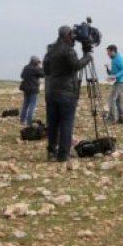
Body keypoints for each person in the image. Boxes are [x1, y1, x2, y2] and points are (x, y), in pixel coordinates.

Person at [43, 26, 93, 163]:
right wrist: (87, 57)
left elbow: (46, 69)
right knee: (66, 122)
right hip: (66, 93)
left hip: (51, 92)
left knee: (53, 123)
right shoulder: (68, 50)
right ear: (68, 35)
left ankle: (51, 151)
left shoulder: (50, 50)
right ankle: (63, 154)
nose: (73, 37)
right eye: (72, 35)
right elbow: (76, 65)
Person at [105, 44, 123, 125]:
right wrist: (108, 70)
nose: (107, 54)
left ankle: (112, 118)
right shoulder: (114, 60)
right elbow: (113, 73)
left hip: (119, 83)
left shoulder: (118, 59)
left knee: (111, 99)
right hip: (119, 82)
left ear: (113, 51)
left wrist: (115, 76)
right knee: (118, 101)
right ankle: (122, 119)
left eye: (108, 52)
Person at [19, 55, 45, 126]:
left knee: (25, 104)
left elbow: (22, 76)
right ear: (35, 62)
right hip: (33, 89)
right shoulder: (36, 69)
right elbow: (43, 75)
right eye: (38, 62)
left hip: (26, 88)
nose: (38, 63)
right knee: (32, 105)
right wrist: (41, 67)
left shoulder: (26, 67)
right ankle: (29, 122)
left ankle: (22, 120)